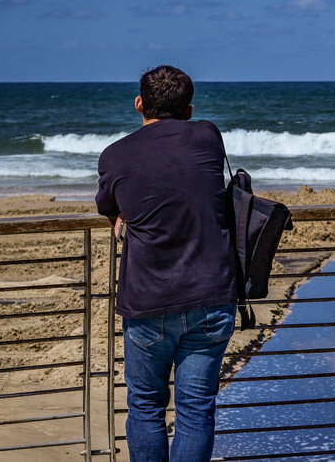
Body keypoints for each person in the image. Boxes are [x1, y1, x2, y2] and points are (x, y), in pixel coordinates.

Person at [95, 65, 237, 462]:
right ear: (190, 111)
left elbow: (112, 208)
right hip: (211, 294)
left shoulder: (115, 154)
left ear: (139, 103)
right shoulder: (208, 136)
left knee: (145, 406)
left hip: (147, 299)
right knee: (195, 410)